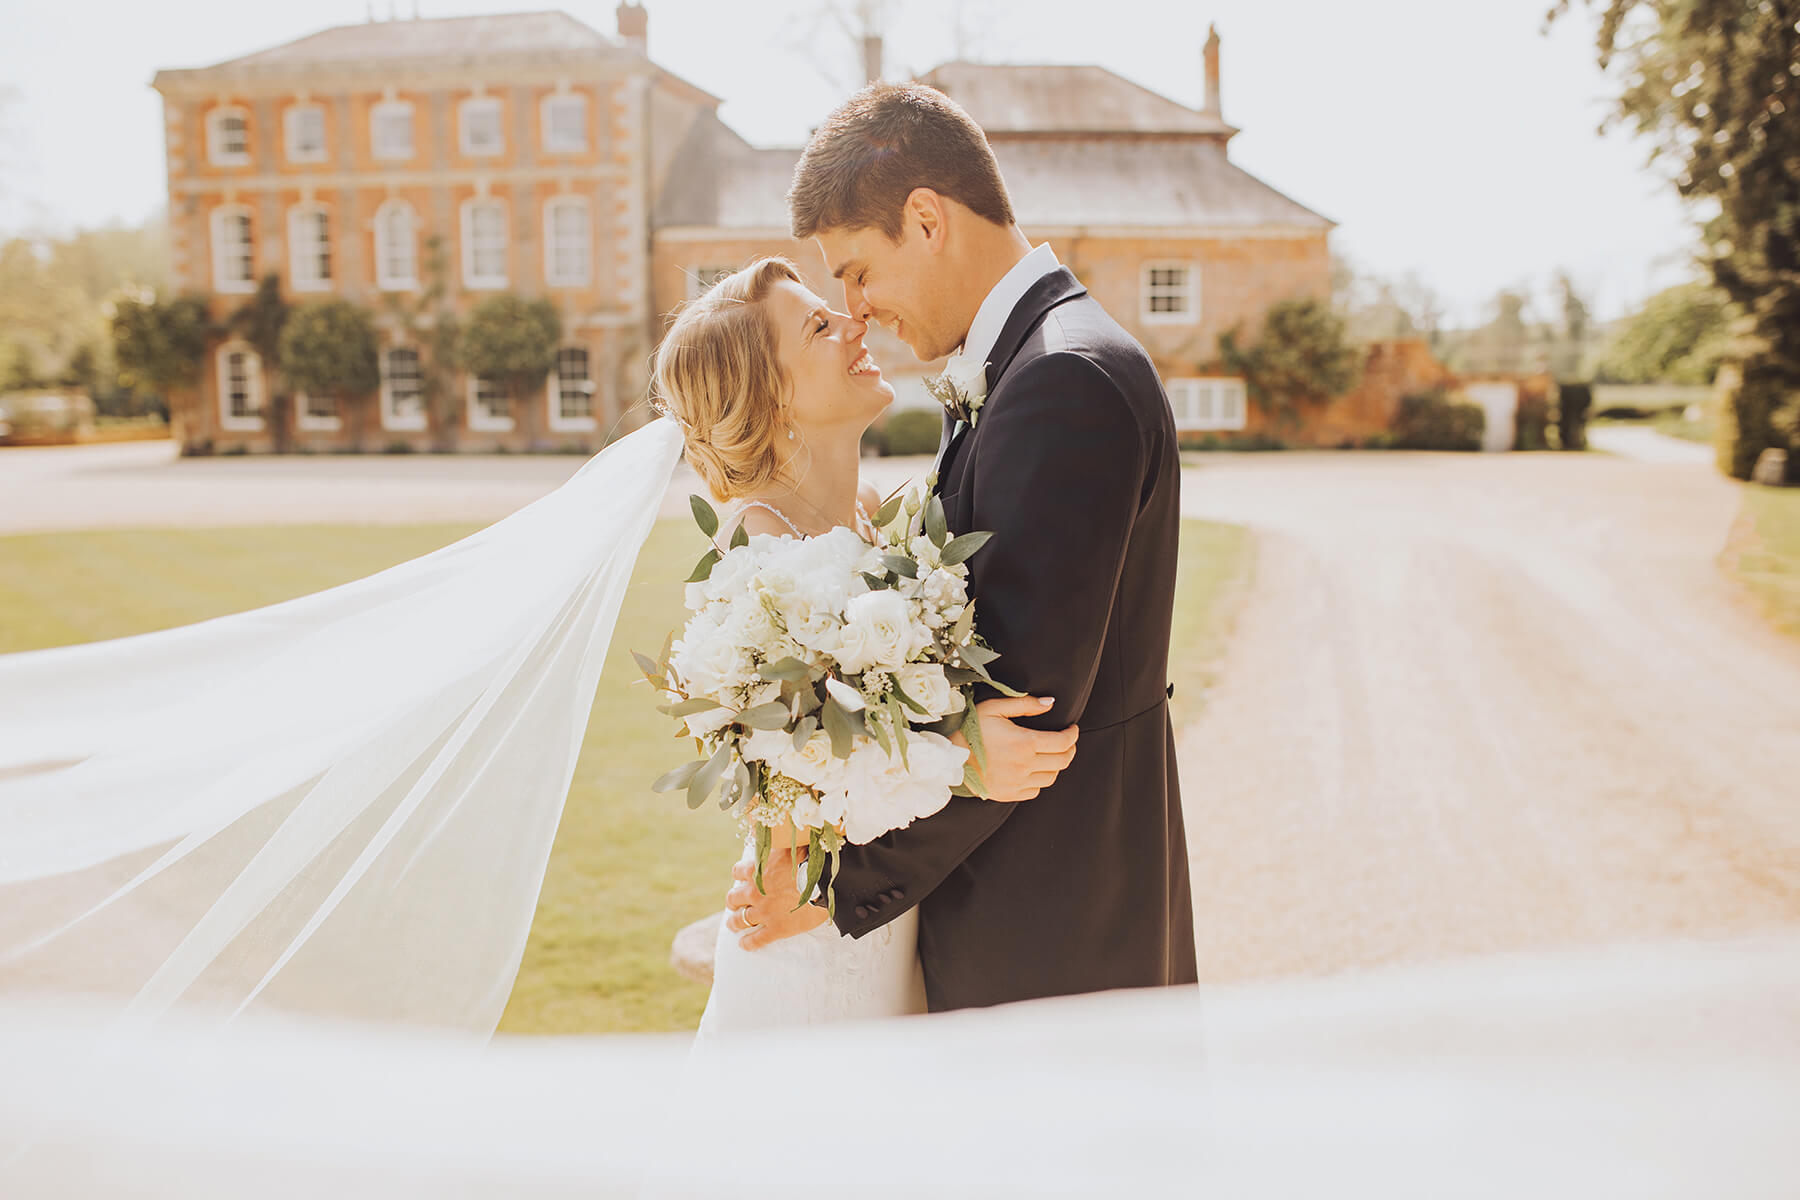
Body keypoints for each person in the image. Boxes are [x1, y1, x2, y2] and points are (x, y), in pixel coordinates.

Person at [730, 82, 1199, 1011]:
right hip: (1044, 917)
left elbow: (1024, 717)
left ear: (927, 218)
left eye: (859, 271)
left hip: (1052, 938)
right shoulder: (1030, 364)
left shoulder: (1059, 379)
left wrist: (836, 881)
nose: (856, 309)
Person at [648, 256, 1081, 1036]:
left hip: (896, 926)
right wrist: (963, 754)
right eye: (819, 324)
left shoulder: (881, 515)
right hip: (809, 943)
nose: (856, 320)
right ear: (771, 394)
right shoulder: (754, 548)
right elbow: (792, 780)